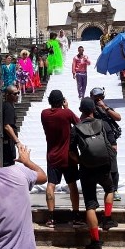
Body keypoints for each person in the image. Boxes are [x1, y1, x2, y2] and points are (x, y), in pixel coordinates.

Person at [69, 98, 118, 249]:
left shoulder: (76, 128)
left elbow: (71, 151)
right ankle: (108, 219)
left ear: (81, 110)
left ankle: (96, 242)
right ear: (93, 110)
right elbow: (111, 144)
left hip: (86, 168)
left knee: (90, 204)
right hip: (104, 166)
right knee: (109, 189)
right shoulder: (102, 124)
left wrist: (82, 161)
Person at [41, 90, 84, 227]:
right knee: (72, 185)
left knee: (51, 185)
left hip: (52, 156)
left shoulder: (44, 114)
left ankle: (51, 217)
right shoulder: (67, 113)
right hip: (67, 155)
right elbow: (80, 124)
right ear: (62, 101)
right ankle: (76, 216)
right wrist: (67, 107)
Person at [90, 87, 122, 201]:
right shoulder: (90, 109)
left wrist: (105, 107)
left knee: (113, 167)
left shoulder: (106, 108)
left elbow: (118, 118)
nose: (99, 99)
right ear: (92, 97)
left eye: (101, 97)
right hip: (97, 142)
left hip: (110, 141)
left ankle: (114, 189)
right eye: (96, 97)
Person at [2, 85, 21, 167]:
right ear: (7, 95)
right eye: (15, 94)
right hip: (7, 143)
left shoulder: (9, 106)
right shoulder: (8, 106)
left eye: (18, 93)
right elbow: (7, 126)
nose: (17, 95)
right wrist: (17, 141)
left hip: (9, 142)